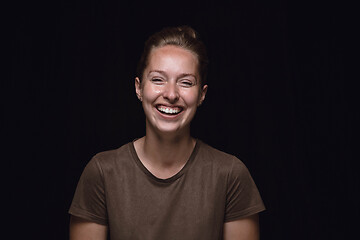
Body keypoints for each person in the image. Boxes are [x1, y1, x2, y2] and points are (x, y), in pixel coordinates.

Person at [69, 26, 265, 240]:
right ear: (139, 88)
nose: (171, 94)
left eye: (186, 82)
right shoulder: (102, 172)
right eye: (158, 79)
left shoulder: (230, 175)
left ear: (202, 94)